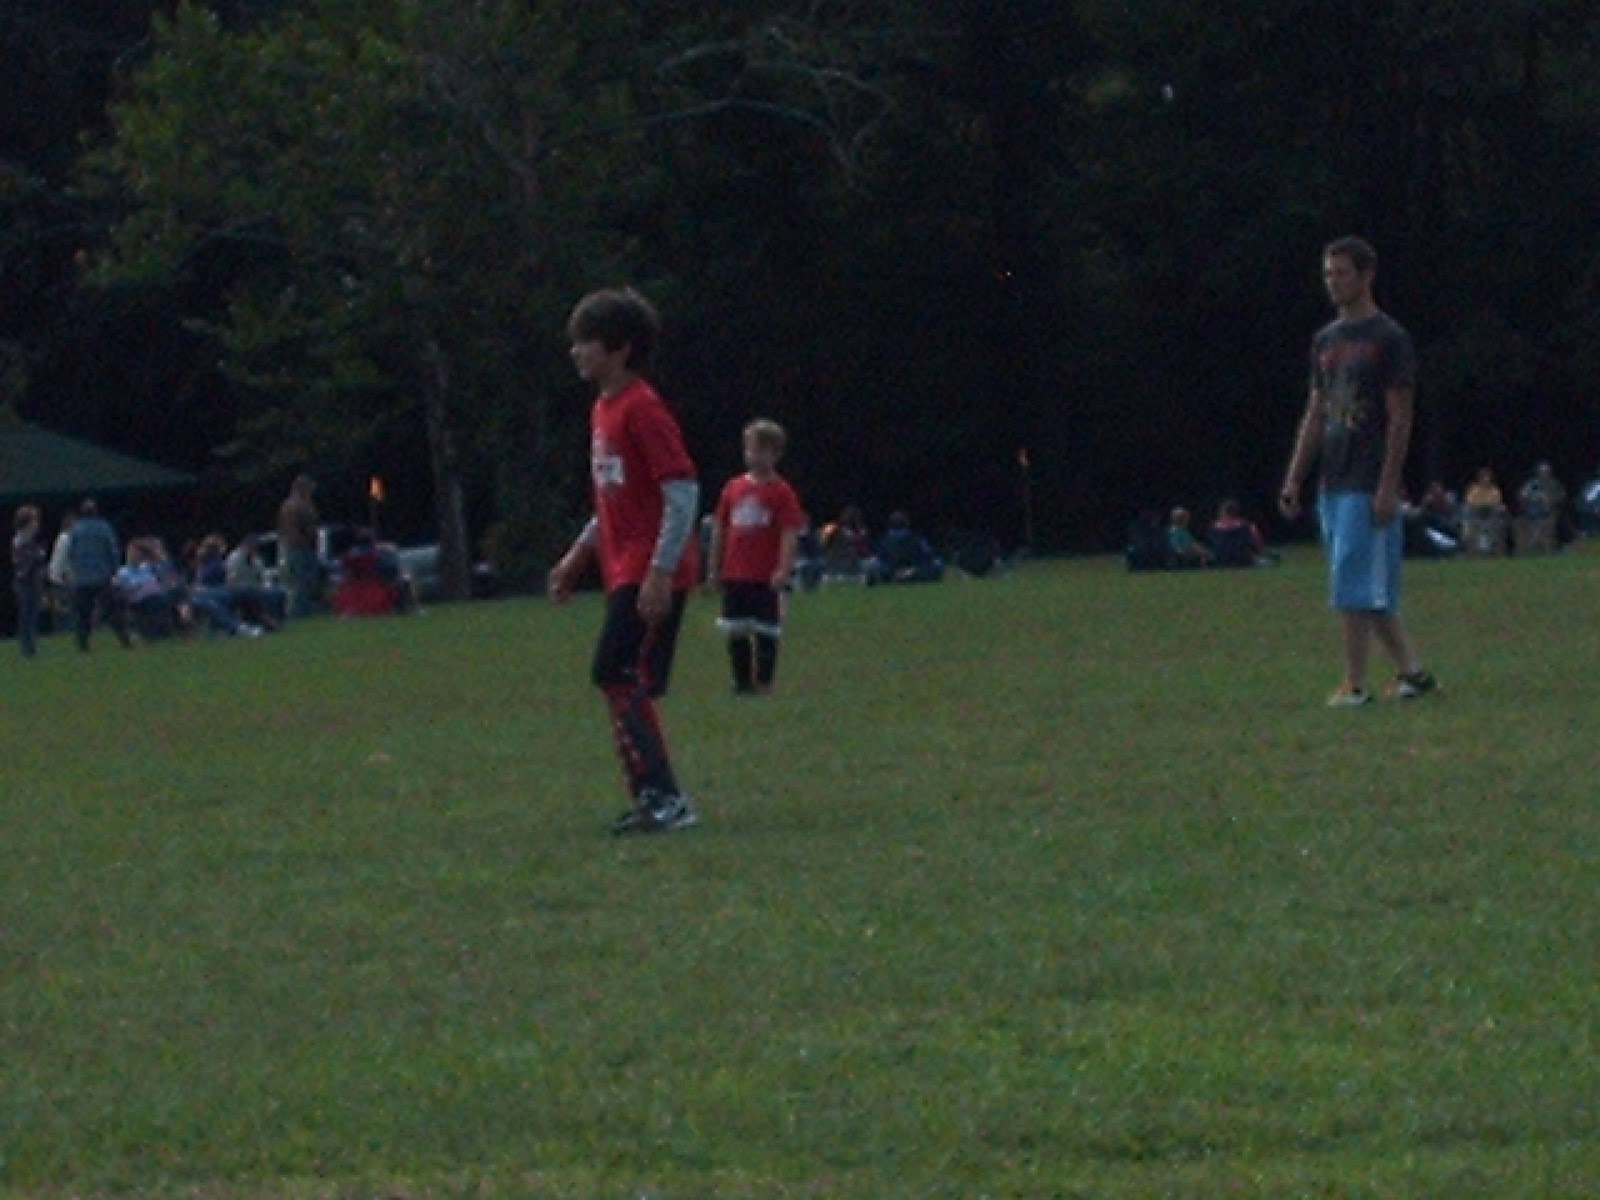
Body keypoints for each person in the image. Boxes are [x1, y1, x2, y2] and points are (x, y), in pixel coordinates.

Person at [546, 286, 701, 836]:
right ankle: (652, 797)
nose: (576, 352)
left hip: (648, 568)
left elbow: (681, 490)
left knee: (617, 670)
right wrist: (577, 556)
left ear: (620, 349)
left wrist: (661, 570)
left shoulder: (642, 408)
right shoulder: (602, 410)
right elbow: (612, 499)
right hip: (622, 567)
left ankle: (665, 799)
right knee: (621, 676)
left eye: (585, 342)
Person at [1279, 236, 1438, 707]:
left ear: (1367, 275)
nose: (1333, 283)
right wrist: (1294, 476)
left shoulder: (1389, 339)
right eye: (1328, 274)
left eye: (1342, 273)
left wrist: (1387, 487)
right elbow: (1316, 411)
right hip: (1333, 476)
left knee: (1351, 585)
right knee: (1367, 587)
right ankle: (1412, 674)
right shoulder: (1325, 341)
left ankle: (1354, 683)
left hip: (1367, 480)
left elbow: (1400, 418)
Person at [707, 418, 807, 695]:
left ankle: (764, 681)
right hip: (735, 572)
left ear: (776, 454)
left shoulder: (781, 492)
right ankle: (741, 682)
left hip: (764, 574)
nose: (754, 456)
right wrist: (714, 567)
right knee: (736, 629)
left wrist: (783, 568)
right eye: (750, 449)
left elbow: (789, 531)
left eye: (762, 450)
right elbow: (720, 529)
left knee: (766, 629)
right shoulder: (732, 488)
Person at [65, 497, 131, 651]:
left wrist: (75, 571)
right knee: (112, 610)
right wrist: (114, 570)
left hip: (82, 579)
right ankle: (124, 640)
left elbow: (71, 553)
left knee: (83, 613)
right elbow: (113, 550)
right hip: (103, 576)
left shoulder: (76, 530)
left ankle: (83, 644)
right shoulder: (104, 527)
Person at [277, 473, 321, 618]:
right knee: (300, 581)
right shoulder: (292, 506)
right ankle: (298, 612)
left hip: (304, 547)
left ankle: (305, 609)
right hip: (299, 548)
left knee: (307, 581)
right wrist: (304, 544)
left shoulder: (304, 504)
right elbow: (293, 530)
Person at [869, 510, 944, 584]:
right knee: (937, 563)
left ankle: (892, 576)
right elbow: (928, 554)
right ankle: (908, 575)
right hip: (914, 567)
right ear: (906, 523)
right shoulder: (915, 538)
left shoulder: (885, 539)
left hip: (891, 569)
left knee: (872, 563)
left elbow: (880, 556)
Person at [11, 505, 47, 658]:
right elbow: (24, 563)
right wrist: (37, 556)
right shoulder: (20, 540)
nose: (36, 524)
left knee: (32, 614)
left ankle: (31, 646)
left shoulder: (30, 540)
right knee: (26, 614)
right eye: (34, 521)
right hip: (25, 582)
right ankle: (27, 647)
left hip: (33, 581)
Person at [1208, 499, 1274, 567]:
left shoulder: (1214, 528)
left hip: (1221, 559)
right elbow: (1257, 542)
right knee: (1268, 562)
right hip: (1242, 558)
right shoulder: (1245, 526)